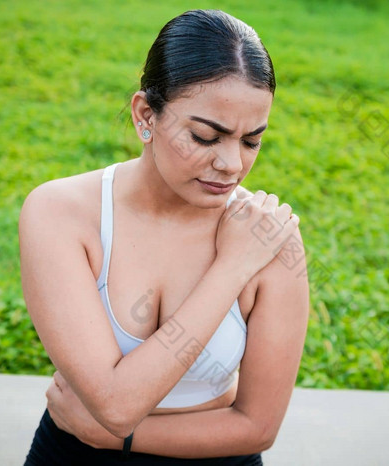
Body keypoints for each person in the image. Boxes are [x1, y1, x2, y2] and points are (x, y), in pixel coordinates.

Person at [19, 9, 309, 465]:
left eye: (251, 140)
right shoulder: (61, 213)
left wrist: (119, 439)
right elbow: (115, 403)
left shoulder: (267, 236)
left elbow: (258, 426)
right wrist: (232, 267)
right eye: (205, 136)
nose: (232, 164)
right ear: (145, 115)